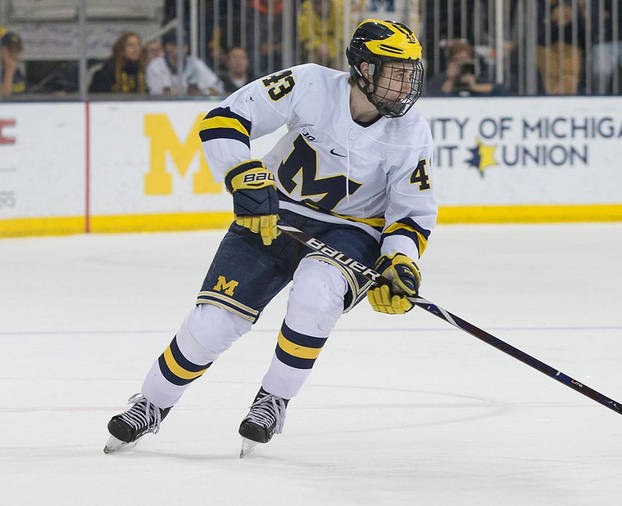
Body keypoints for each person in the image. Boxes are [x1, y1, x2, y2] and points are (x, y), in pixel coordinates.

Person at [104, 19, 435, 455]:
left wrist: (400, 261)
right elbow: (223, 120)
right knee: (214, 322)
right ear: (364, 68)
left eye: (410, 72)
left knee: (316, 296)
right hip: (274, 213)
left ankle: (273, 400)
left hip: (353, 231)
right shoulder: (309, 84)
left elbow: (410, 215)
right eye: (395, 71)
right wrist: (243, 174)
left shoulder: (412, 131)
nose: (405, 83)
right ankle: (150, 403)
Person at [146, 32, 223, 95]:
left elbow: (217, 87)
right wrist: (184, 91)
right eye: (175, 45)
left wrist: (202, 91)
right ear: (167, 47)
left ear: (187, 48)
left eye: (183, 45)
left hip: (192, 107)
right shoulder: (156, 65)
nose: (179, 48)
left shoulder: (195, 63)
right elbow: (155, 93)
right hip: (161, 108)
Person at [536, 0, 586, 95]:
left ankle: (564, 94)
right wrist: (554, 22)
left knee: (569, 63)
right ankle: (554, 93)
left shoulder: (572, 6)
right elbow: (538, 38)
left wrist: (570, 20)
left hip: (570, 48)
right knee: (547, 61)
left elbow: (582, 37)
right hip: (545, 49)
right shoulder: (539, 7)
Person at [426, 39, 496, 96]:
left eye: (464, 59)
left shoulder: (483, 77)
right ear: (449, 62)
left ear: (472, 61)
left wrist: (474, 86)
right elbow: (435, 99)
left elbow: (499, 92)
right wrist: (450, 80)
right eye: (456, 60)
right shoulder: (438, 80)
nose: (460, 63)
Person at [297, 0, 344, 69]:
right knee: (312, 61)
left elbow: (342, 36)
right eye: (315, 4)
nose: (318, 8)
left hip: (337, 49)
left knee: (338, 62)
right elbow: (306, 35)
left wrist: (330, 51)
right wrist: (317, 46)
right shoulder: (306, 8)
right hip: (316, 49)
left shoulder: (340, 7)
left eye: (321, 3)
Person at [1, 28, 25, 97]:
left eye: (18, 49)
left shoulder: (17, 71)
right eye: (10, 49)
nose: (15, 53)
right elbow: (4, 95)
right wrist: (9, 70)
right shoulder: (8, 70)